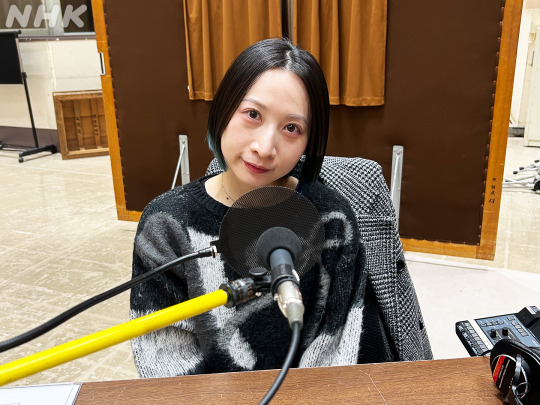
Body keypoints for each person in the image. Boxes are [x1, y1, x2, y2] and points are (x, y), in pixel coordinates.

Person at [129, 38, 368, 378]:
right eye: (253, 114)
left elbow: (334, 350)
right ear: (224, 109)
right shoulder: (167, 223)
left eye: (292, 128)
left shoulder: (331, 218)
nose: (265, 148)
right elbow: (166, 361)